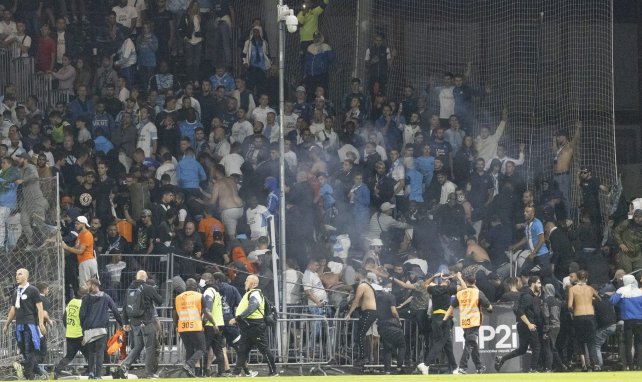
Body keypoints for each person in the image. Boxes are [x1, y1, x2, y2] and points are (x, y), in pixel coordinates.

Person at [443, 270, 493, 374]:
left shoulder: (460, 293)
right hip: (474, 322)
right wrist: (489, 309)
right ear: (475, 281)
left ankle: (479, 367)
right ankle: (462, 367)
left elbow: (451, 307)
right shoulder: (477, 292)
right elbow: (489, 306)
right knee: (470, 344)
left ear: (466, 281)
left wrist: (444, 319)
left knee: (472, 343)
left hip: (465, 323)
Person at [228, 275, 278, 377]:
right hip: (248, 327)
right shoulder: (251, 293)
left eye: (247, 281)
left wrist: (237, 318)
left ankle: (274, 372)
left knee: (264, 349)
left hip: (255, 326)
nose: (245, 282)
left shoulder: (255, 293)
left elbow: (252, 307)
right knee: (242, 351)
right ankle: (236, 373)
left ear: (254, 284)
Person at [2, 268, 46, 380]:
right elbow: (13, 310)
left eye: (20, 274)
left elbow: (40, 309)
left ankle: (29, 374)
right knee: (23, 349)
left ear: (26, 276)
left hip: (30, 324)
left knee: (30, 350)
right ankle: (35, 372)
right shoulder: (15, 292)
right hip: (19, 325)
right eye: (16, 274)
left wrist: (41, 323)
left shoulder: (33, 290)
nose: (17, 276)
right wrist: (7, 323)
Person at [119, 270, 164, 378]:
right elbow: (160, 301)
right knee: (150, 348)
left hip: (134, 323)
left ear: (136, 277)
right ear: (146, 278)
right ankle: (149, 373)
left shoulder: (129, 289)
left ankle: (124, 365)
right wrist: (156, 291)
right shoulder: (148, 288)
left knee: (138, 346)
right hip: (146, 323)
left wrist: (125, 323)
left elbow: (124, 307)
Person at [495, 276, 543, 373]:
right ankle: (533, 369)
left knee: (522, 350)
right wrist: (529, 324)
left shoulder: (531, 296)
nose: (540, 285)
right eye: (538, 283)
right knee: (537, 347)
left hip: (523, 325)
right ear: (532, 284)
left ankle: (501, 359)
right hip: (527, 325)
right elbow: (520, 312)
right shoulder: (527, 296)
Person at [80, 278, 123, 379]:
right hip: (102, 330)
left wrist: (84, 328)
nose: (87, 287)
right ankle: (98, 375)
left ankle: (91, 373)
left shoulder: (86, 298)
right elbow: (115, 311)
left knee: (91, 353)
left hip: (90, 330)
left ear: (94, 285)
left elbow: (81, 315)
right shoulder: (106, 297)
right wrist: (121, 323)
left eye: (88, 284)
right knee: (100, 353)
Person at [424, 272, 458, 374]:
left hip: (435, 317)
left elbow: (424, 285)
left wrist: (433, 276)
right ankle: (426, 364)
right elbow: (464, 287)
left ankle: (455, 368)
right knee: (440, 342)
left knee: (447, 344)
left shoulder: (434, 289)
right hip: (444, 318)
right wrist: (458, 278)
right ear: (447, 280)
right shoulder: (449, 289)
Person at [173, 278, 209, 377]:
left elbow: (175, 314)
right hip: (195, 327)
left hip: (183, 328)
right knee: (202, 348)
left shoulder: (178, 297)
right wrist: (205, 322)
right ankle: (189, 364)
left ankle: (188, 373)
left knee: (189, 349)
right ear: (194, 286)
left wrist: (176, 325)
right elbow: (206, 312)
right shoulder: (199, 296)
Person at [509, 206, 552, 285]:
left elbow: (542, 239)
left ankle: (558, 293)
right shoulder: (527, 224)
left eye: (527, 212)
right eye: (524, 211)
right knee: (523, 271)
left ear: (532, 213)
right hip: (534, 255)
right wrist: (516, 246)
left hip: (542, 255)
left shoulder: (537, 223)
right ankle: (521, 289)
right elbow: (527, 238)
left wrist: (533, 253)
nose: (524, 213)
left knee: (548, 277)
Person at [567, 270, 600, 371]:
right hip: (590, 315)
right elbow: (599, 299)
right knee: (591, 342)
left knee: (580, 341)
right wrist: (591, 300)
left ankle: (585, 365)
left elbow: (569, 305)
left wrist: (573, 311)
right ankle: (596, 364)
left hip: (579, 315)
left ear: (577, 278)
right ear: (586, 278)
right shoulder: (590, 289)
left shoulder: (572, 289)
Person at [345, 269, 378, 366]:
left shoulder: (362, 285)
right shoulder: (367, 285)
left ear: (358, 274)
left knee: (360, 335)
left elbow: (356, 301)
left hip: (369, 313)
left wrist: (349, 314)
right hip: (368, 313)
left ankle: (364, 357)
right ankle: (365, 357)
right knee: (362, 335)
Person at [610, 274, 642, 371]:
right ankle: (639, 365)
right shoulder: (639, 291)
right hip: (640, 320)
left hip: (628, 320)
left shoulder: (622, 290)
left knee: (628, 344)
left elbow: (612, 301)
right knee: (639, 343)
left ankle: (630, 366)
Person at [54, 287, 88, 378]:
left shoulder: (71, 302)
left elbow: (64, 318)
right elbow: (84, 320)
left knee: (69, 356)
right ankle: (91, 371)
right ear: (85, 296)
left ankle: (57, 370)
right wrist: (85, 334)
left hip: (70, 334)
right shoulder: (82, 304)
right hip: (80, 335)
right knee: (89, 354)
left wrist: (68, 328)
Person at [201, 273, 230, 377]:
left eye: (203, 279)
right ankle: (221, 372)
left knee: (205, 349)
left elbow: (207, 310)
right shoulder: (216, 292)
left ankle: (204, 372)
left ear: (208, 280)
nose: (201, 281)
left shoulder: (208, 292)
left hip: (210, 324)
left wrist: (203, 321)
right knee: (218, 350)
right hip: (219, 323)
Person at [374, 282, 406, 374]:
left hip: (382, 326)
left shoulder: (377, 298)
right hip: (392, 324)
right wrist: (399, 320)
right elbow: (394, 311)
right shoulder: (391, 296)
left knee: (387, 349)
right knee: (402, 346)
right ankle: (399, 368)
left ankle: (387, 370)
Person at [552, 121, 581, 218]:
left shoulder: (568, 147)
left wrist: (578, 129)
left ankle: (568, 218)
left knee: (564, 197)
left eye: (559, 136)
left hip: (564, 175)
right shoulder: (559, 149)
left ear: (564, 136)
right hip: (556, 176)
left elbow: (575, 140)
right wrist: (553, 138)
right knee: (555, 197)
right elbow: (554, 152)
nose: (557, 138)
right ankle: (557, 216)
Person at [61, 216, 98, 288]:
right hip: (85, 262)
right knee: (88, 285)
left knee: (85, 286)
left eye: (78, 223)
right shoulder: (80, 235)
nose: (76, 225)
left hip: (87, 261)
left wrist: (66, 247)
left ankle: (86, 299)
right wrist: (65, 249)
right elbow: (75, 248)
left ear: (83, 224)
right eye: (75, 223)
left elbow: (80, 251)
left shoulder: (86, 234)